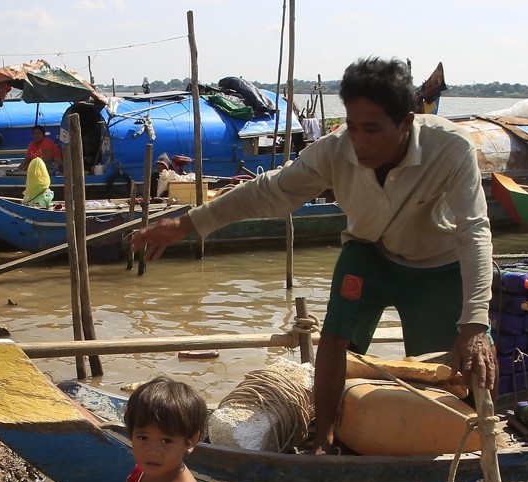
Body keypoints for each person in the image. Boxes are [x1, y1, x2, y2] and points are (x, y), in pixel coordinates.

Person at [130, 57, 497, 455]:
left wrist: (475, 322)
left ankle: (469, 448)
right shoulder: (336, 150)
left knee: (452, 366)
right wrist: (187, 223)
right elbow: (268, 191)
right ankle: (324, 440)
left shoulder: (451, 147)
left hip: (437, 265)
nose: (360, 142)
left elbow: (474, 231)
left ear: (406, 122)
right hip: (368, 252)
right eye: (353, 127)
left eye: (372, 129)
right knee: (334, 340)